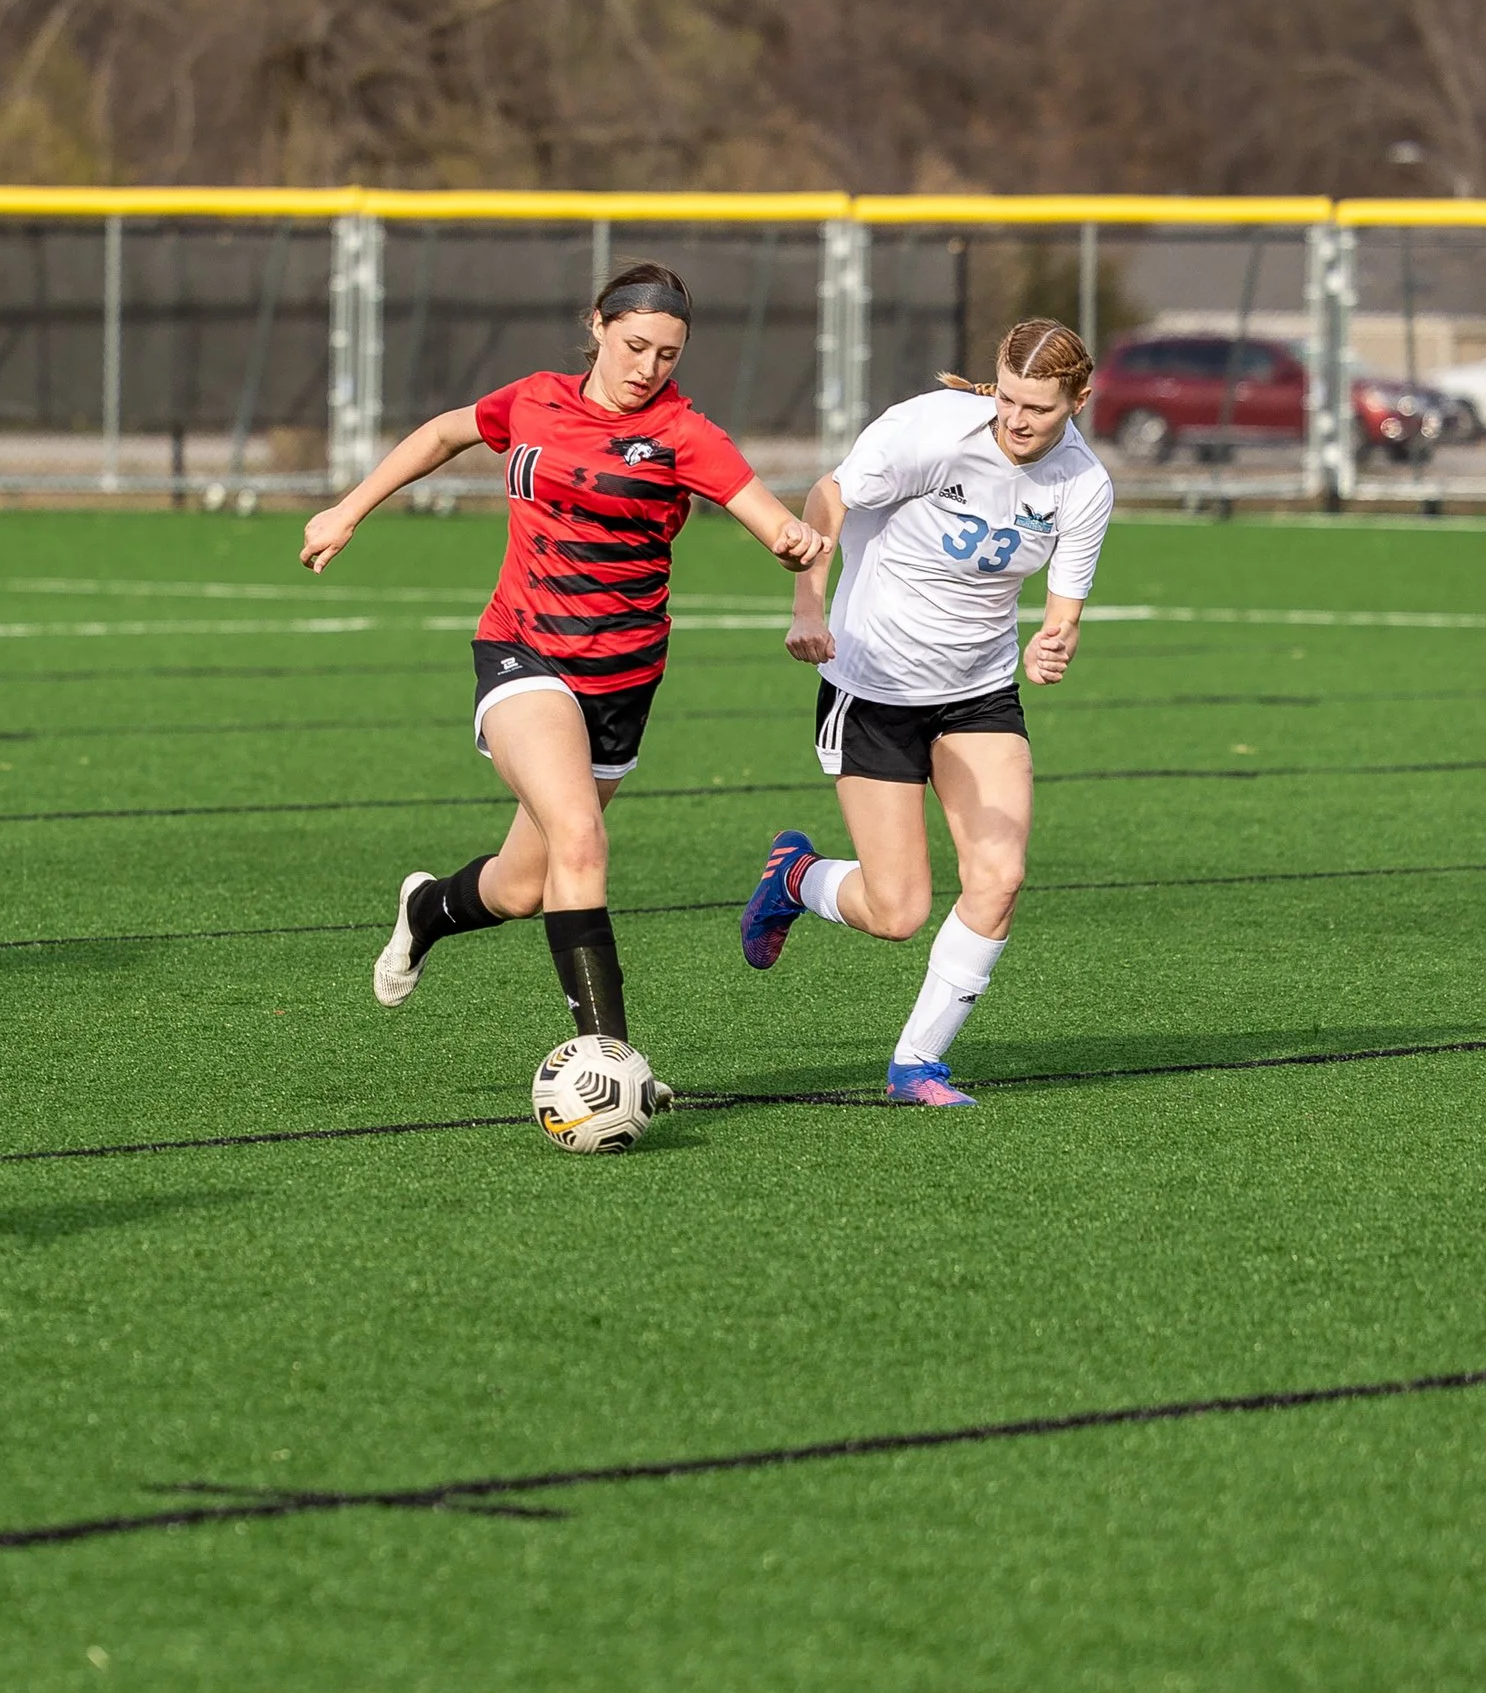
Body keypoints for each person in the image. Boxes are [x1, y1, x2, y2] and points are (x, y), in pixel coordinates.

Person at [299, 262, 828, 1057]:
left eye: (668, 355)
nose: (648, 369)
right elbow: (444, 433)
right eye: (636, 345)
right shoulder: (535, 399)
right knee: (579, 839)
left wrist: (792, 543)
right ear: (598, 328)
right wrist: (349, 509)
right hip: (522, 650)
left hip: (622, 679)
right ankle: (608, 1063)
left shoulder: (687, 433)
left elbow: (769, 519)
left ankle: (426, 910)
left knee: (520, 885)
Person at [737, 317, 1115, 1107]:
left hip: (977, 692)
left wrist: (1054, 644)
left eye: (1039, 409)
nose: (1016, 419)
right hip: (871, 687)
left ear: (1079, 400)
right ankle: (795, 876)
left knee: (1000, 875)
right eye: (1009, 399)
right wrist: (809, 608)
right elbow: (827, 499)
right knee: (897, 909)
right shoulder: (927, 432)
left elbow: (1061, 614)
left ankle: (918, 1065)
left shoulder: (1084, 485)